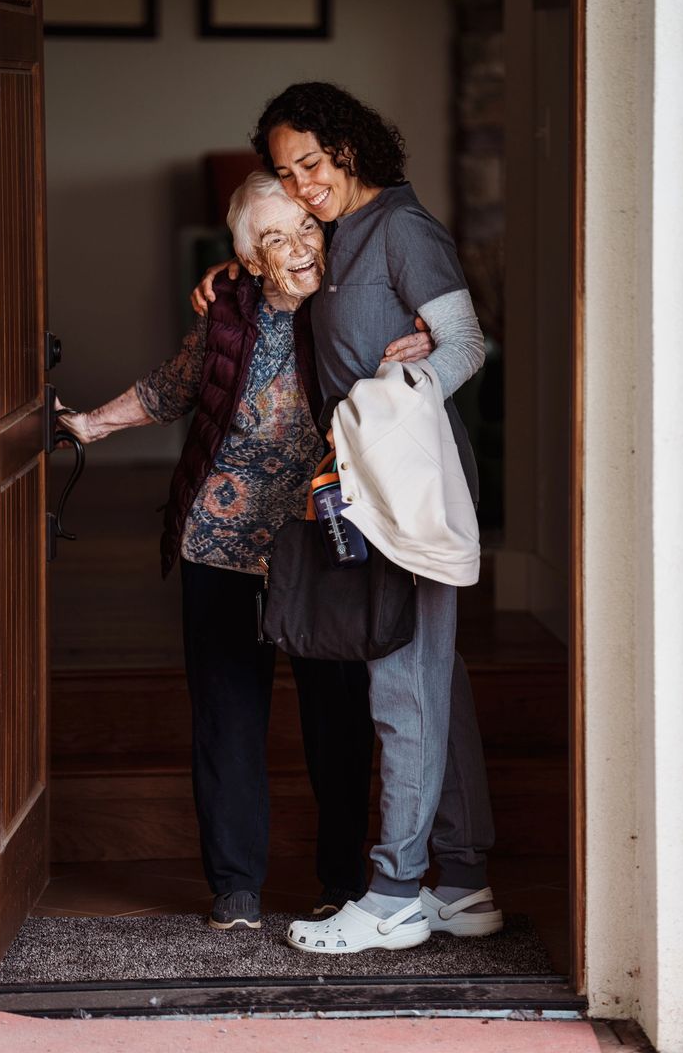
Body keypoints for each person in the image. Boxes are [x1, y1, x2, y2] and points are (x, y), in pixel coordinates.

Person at [58, 171, 432, 933]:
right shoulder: (231, 314)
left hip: (326, 545)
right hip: (221, 540)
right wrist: (90, 425)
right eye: (273, 239)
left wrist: (433, 341)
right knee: (227, 717)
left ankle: (339, 881)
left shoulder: (365, 303)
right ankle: (234, 889)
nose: (297, 248)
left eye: (306, 229)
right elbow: (176, 386)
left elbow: (440, 347)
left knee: (338, 716)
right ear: (249, 261)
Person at [192, 83, 502, 956]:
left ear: (352, 148)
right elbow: (286, 277)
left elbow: (467, 345)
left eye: (314, 164)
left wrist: (407, 389)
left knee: (402, 679)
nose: (304, 186)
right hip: (364, 485)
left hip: (407, 481)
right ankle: (464, 878)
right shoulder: (339, 232)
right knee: (436, 677)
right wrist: (227, 269)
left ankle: (397, 892)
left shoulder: (402, 229)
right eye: (288, 173)